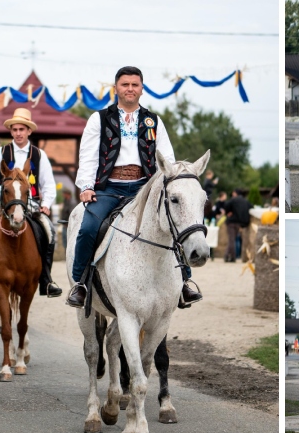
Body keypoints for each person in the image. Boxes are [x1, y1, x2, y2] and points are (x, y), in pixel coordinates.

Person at [65, 66, 201, 308]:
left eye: (134, 84)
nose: (130, 88)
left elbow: (167, 159)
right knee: (88, 227)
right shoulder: (99, 119)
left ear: (142, 89)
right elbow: (87, 156)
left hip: (144, 188)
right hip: (108, 187)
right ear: (116, 88)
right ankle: (80, 284)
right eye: (125, 84)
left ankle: (184, 283)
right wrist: (86, 186)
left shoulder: (153, 121)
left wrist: (169, 182)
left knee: (173, 223)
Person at [0, 108, 62, 298]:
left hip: (31, 205)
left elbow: (48, 184)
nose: (18, 133)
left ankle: (46, 279)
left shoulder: (39, 155)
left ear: (29, 131)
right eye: (14, 129)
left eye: (22, 129)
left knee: (49, 231)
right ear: (11, 131)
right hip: (2, 203)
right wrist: (5, 197)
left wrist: (46, 203)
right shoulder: (1, 152)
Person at [224, 189, 251, 263]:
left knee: (231, 240)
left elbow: (226, 206)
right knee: (233, 239)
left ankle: (231, 256)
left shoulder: (234, 200)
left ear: (236, 193)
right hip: (239, 223)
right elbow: (251, 207)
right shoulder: (246, 201)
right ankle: (228, 255)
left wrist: (228, 212)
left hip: (231, 222)